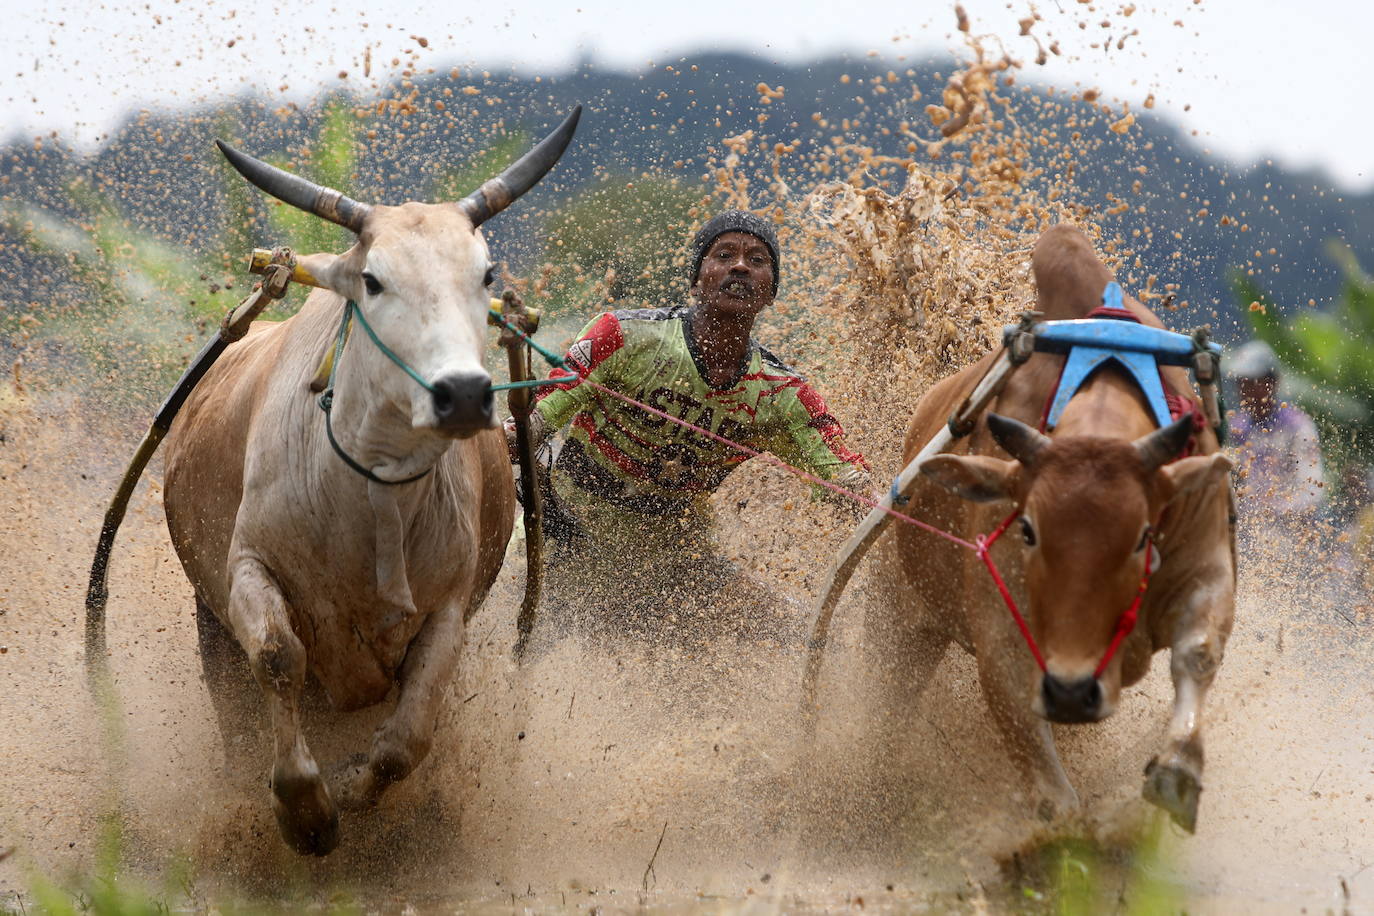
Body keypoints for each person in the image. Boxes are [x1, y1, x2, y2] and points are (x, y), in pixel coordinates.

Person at [506, 209, 871, 641]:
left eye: (757, 259)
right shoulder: (623, 336)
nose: (740, 266)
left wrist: (897, 503)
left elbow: (848, 484)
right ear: (696, 280)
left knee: (803, 638)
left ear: (770, 293)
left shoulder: (783, 395)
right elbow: (527, 430)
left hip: (680, 565)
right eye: (724, 254)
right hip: (564, 541)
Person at [1227, 340, 1325, 544]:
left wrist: (1274, 510)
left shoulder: (1297, 426)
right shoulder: (1237, 429)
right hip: (1247, 539)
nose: (1246, 390)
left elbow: (1313, 489)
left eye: (1254, 382)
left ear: (1273, 383)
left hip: (1293, 539)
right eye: (1241, 382)